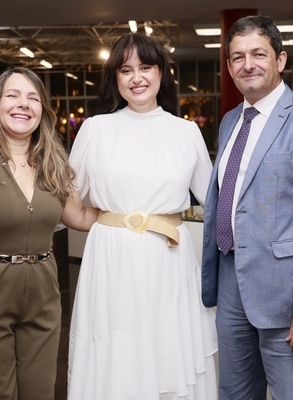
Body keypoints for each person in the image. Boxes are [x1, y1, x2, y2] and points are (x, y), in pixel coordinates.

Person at [67, 32, 218, 399]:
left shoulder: (186, 132)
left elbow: (215, 202)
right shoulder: (95, 129)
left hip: (168, 259)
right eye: (126, 70)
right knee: (115, 351)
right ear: (115, 79)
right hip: (110, 260)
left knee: (167, 349)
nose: (137, 78)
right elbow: (66, 195)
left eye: (146, 67)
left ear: (161, 73)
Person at [0, 67, 98, 400]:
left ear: (42, 110)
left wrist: (139, 215)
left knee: (40, 391)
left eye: (33, 98)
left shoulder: (53, 165)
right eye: (13, 95)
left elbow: (80, 216)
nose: (23, 104)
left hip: (42, 291)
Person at [201, 15, 293, 399]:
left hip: (287, 295)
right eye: (238, 57)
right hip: (230, 286)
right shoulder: (230, 121)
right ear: (229, 66)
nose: (248, 64)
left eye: (258, 54)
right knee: (235, 393)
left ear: (280, 59)